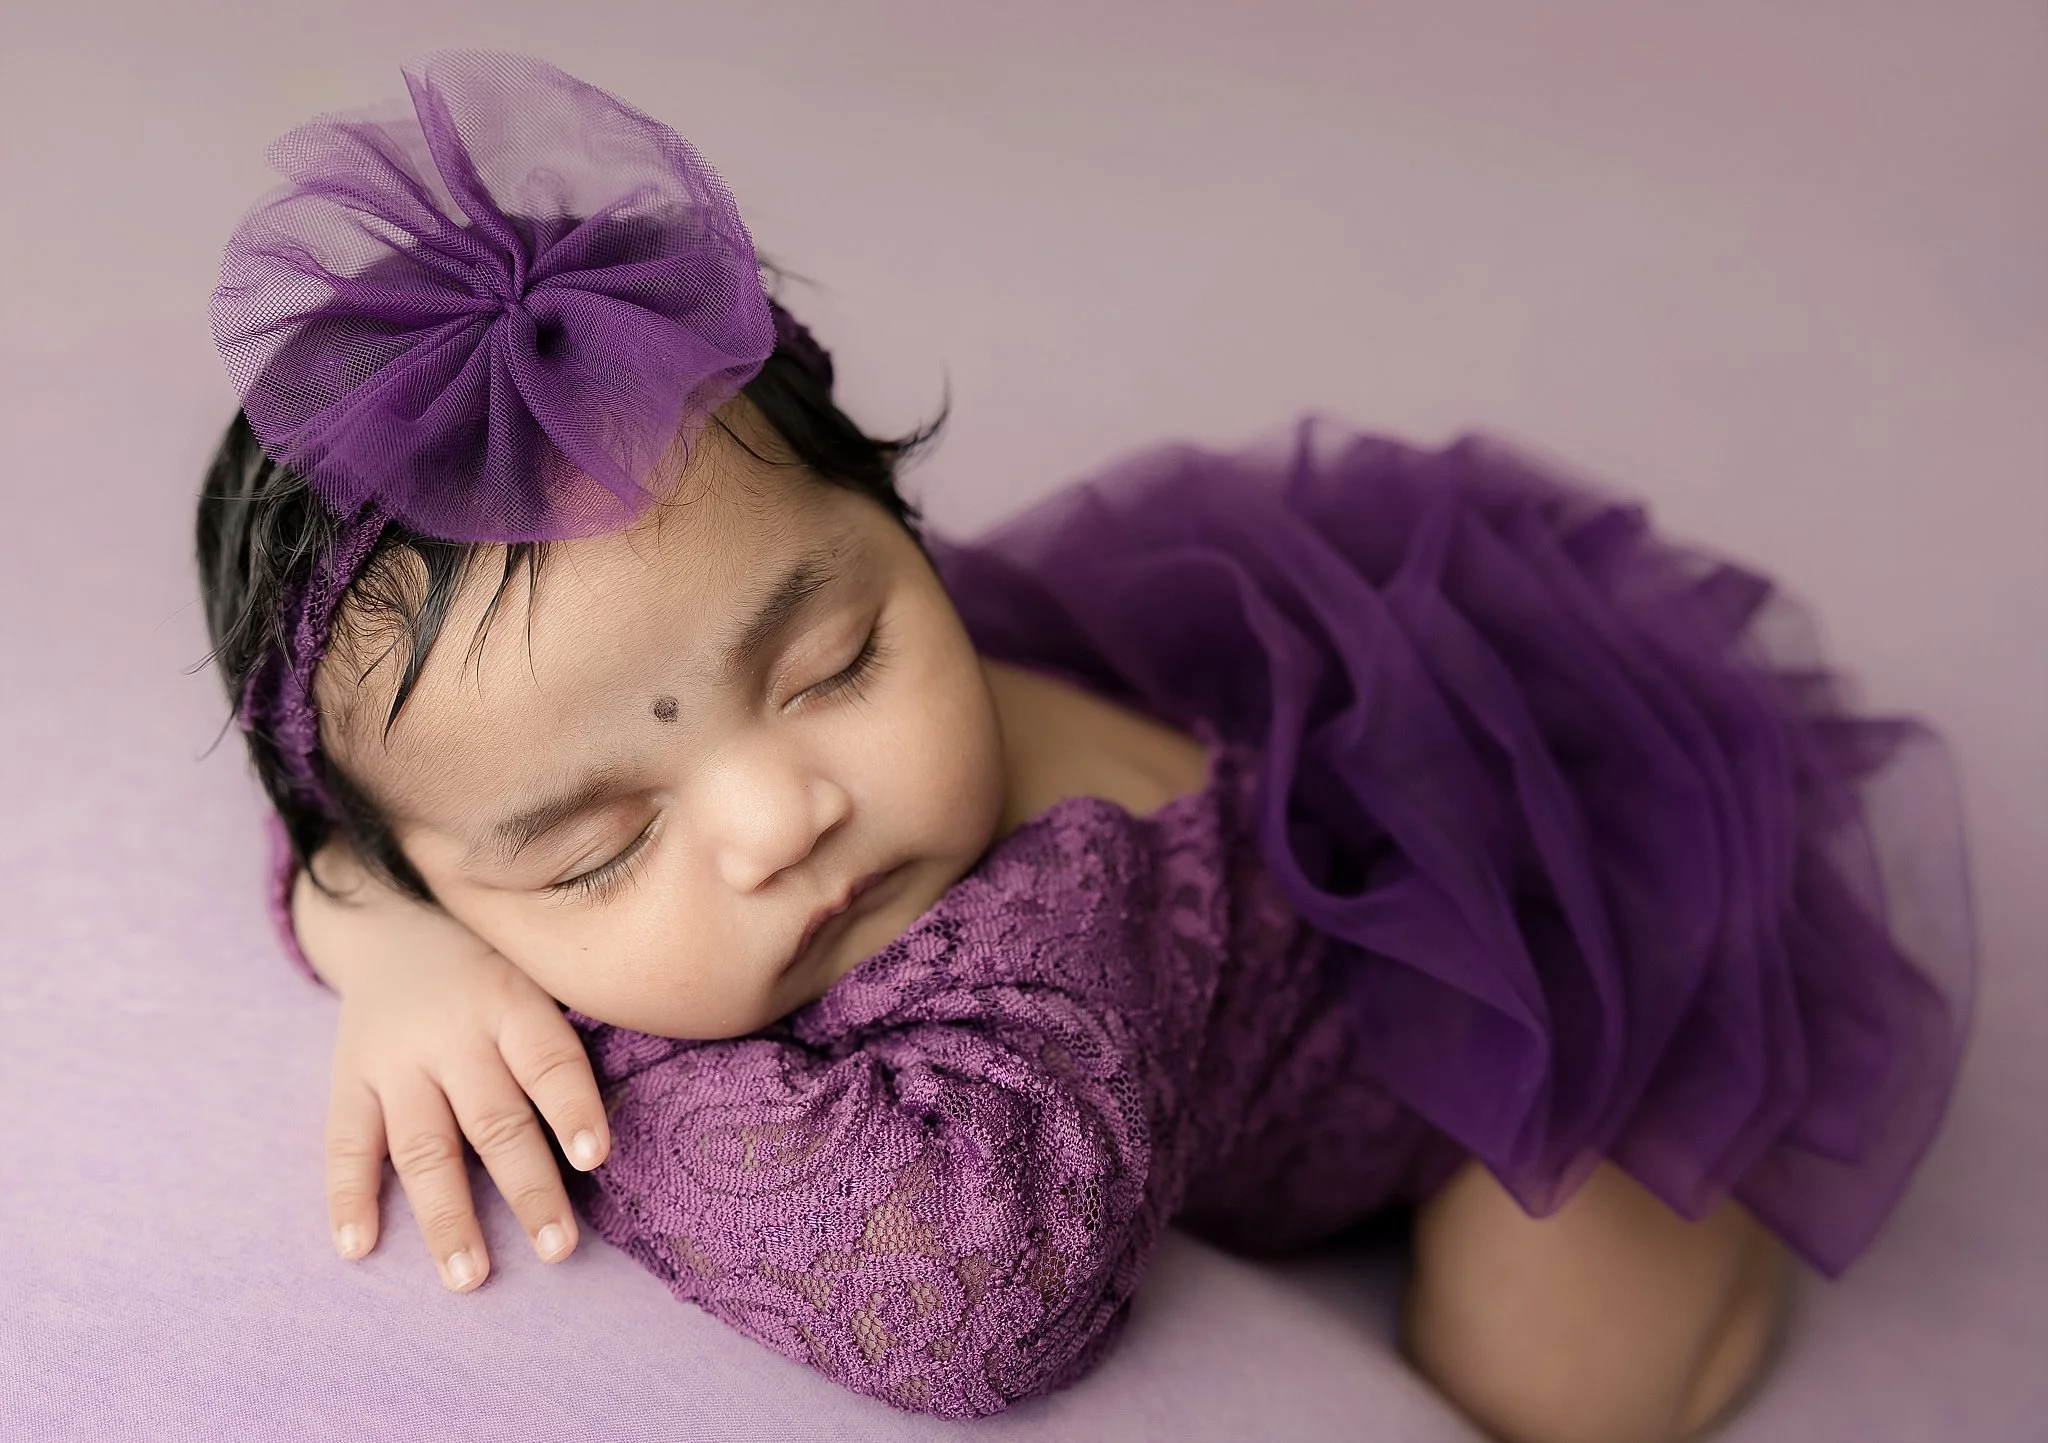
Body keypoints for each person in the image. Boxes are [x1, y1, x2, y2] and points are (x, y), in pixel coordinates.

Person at [195, 51, 1975, 1443]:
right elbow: (362, 803)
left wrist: (550, 1050)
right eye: (592, 847)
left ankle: (1692, 1182)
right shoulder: (559, 781)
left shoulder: (1049, 929)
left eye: (836, 661)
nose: (777, 811)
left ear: (902, 527)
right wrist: (389, 929)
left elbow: (975, 1292)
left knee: (1558, 1385)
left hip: (1490, 970)